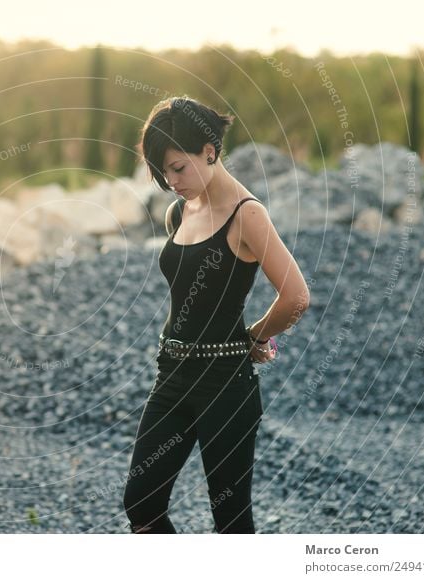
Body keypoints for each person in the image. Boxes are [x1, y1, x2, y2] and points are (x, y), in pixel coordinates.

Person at [122, 96, 311, 533]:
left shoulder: (248, 215)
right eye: (163, 172)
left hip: (226, 385)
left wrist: (256, 336)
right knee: (141, 504)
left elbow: (296, 296)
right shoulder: (179, 211)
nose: (171, 181)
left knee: (231, 522)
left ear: (210, 149)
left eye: (178, 168)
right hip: (171, 376)